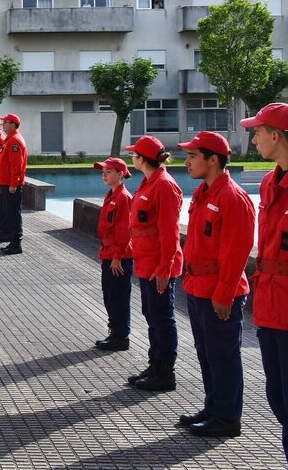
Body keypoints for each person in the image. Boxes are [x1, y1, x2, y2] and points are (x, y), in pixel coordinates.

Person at [176, 130, 254, 438]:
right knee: (208, 353)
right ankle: (213, 407)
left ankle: (226, 418)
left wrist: (224, 293)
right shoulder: (204, 193)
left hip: (219, 291)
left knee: (223, 355)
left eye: (192, 156)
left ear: (213, 160)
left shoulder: (232, 197)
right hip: (198, 286)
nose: (187, 162)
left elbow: (237, 251)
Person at [241, 102, 288, 469]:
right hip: (270, 310)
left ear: (276, 136)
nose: (254, 139)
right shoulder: (269, 182)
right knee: (280, 401)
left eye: (258, 132)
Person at [125, 135, 183, 392]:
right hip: (146, 262)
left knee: (162, 317)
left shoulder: (163, 185)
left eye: (134, 154)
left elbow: (170, 231)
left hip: (158, 264)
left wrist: (164, 267)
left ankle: (165, 372)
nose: (132, 157)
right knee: (152, 315)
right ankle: (155, 364)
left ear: (142, 159)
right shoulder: (149, 182)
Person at [93, 156, 134, 351]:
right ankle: (114, 332)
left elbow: (124, 231)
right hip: (108, 254)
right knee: (109, 296)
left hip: (119, 257)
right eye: (103, 172)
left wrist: (117, 257)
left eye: (108, 172)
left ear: (120, 174)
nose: (104, 175)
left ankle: (120, 336)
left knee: (118, 298)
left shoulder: (123, 198)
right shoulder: (111, 195)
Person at [0, 114, 27, 255]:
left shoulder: (14, 141)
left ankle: (16, 244)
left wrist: (14, 184)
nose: (3, 125)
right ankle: (11, 240)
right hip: (6, 183)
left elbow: (16, 165)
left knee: (13, 214)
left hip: (11, 185)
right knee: (9, 213)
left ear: (13, 124)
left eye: (5, 122)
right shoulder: (9, 140)